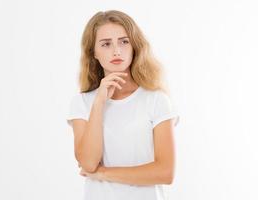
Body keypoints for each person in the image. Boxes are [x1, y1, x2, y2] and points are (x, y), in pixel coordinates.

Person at [66, 10, 179, 200]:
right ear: (94, 52)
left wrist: (103, 174)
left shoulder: (156, 100)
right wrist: (99, 102)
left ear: (134, 46)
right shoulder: (83, 103)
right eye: (106, 44)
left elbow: (165, 172)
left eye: (124, 41)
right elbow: (88, 163)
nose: (116, 50)